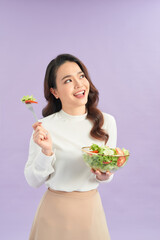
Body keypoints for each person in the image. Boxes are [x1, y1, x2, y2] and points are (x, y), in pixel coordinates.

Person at [24, 53, 117, 240]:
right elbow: (33, 180)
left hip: (91, 213)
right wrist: (46, 152)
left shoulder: (106, 122)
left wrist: (104, 174)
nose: (79, 84)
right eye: (68, 80)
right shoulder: (44, 128)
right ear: (55, 92)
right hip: (54, 215)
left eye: (81, 76)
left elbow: (107, 171)